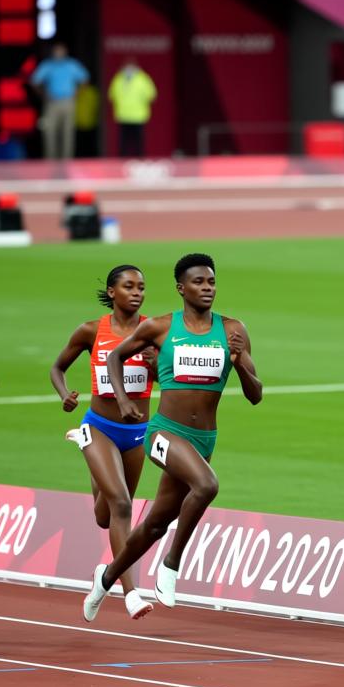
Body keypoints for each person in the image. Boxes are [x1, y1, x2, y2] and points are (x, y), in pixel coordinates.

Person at [82, 253, 262, 620]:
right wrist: (122, 399)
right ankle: (172, 563)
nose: (207, 288)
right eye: (198, 282)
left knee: (154, 524)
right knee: (207, 486)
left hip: (203, 439)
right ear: (181, 288)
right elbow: (114, 358)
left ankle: (106, 577)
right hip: (164, 432)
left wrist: (240, 364)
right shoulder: (161, 327)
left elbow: (256, 394)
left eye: (211, 282)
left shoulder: (233, 330)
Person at [50, 265, 157, 621]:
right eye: (129, 286)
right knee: (122, 505)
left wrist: (156, 366)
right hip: (99, 427)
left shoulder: (154, 331)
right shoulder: (91, 331)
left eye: (141, 287)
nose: (137, 292)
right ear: (112, 292)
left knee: (105, 515)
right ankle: (131, 593)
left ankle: (103, 577)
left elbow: (169, 377)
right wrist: (64, 394)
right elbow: (57, 367)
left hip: (137, 433)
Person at [30, 42, 89, 161]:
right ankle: (50, 159)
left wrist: (77, 93)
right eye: (56, 51)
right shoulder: (48, 65)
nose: (59, 53)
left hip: (68, 101)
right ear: (53, 52)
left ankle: (67, 160)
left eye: (61, 51)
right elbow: (34, 81)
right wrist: (43, 95)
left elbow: (85, 79)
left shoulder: (72, 65)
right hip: (52, 102)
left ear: (65, 52)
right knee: (49, 131)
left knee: (68, 132)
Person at [108, 58, 156, 158]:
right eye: (127, 67)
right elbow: (111, 95)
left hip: (138, 115)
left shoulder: (143, 79)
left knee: (138, 140)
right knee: (123, 140)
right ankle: (122, 160)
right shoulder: (118, 79)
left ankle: (140, 158)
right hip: (123, 114)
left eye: (131, 67)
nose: (129, 69)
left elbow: (152, 94)